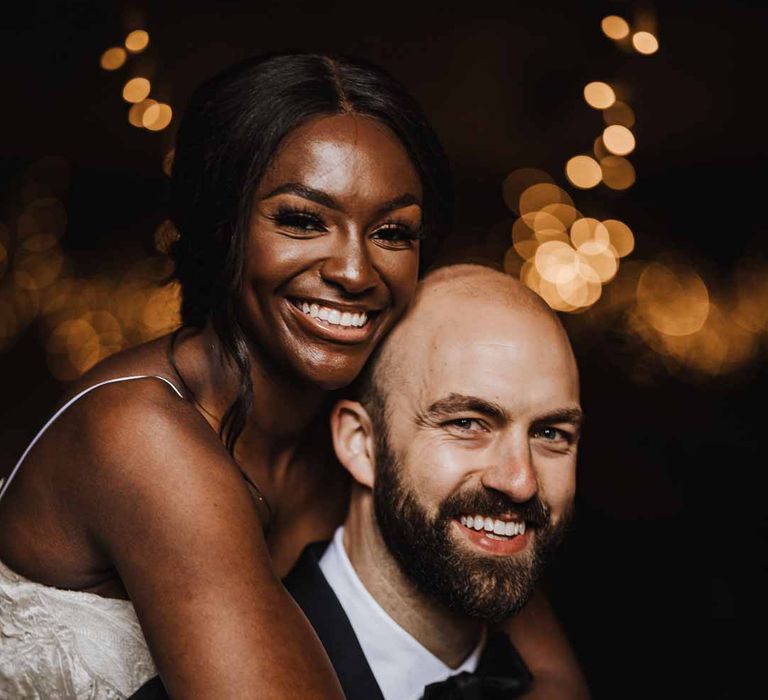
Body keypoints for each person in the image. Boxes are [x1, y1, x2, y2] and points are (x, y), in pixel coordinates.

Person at [0, 54, 586, 698]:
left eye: (392, 232)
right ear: (221, 226)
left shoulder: (373, 414)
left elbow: (549, 675)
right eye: (303, 221)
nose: (356, 272)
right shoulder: (142, 435)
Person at [131, 264, 587, 700]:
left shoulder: (537, 674)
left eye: (550, 434)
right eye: (468, 423)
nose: (520, 481)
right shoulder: (202, 682)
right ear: (361, 445)